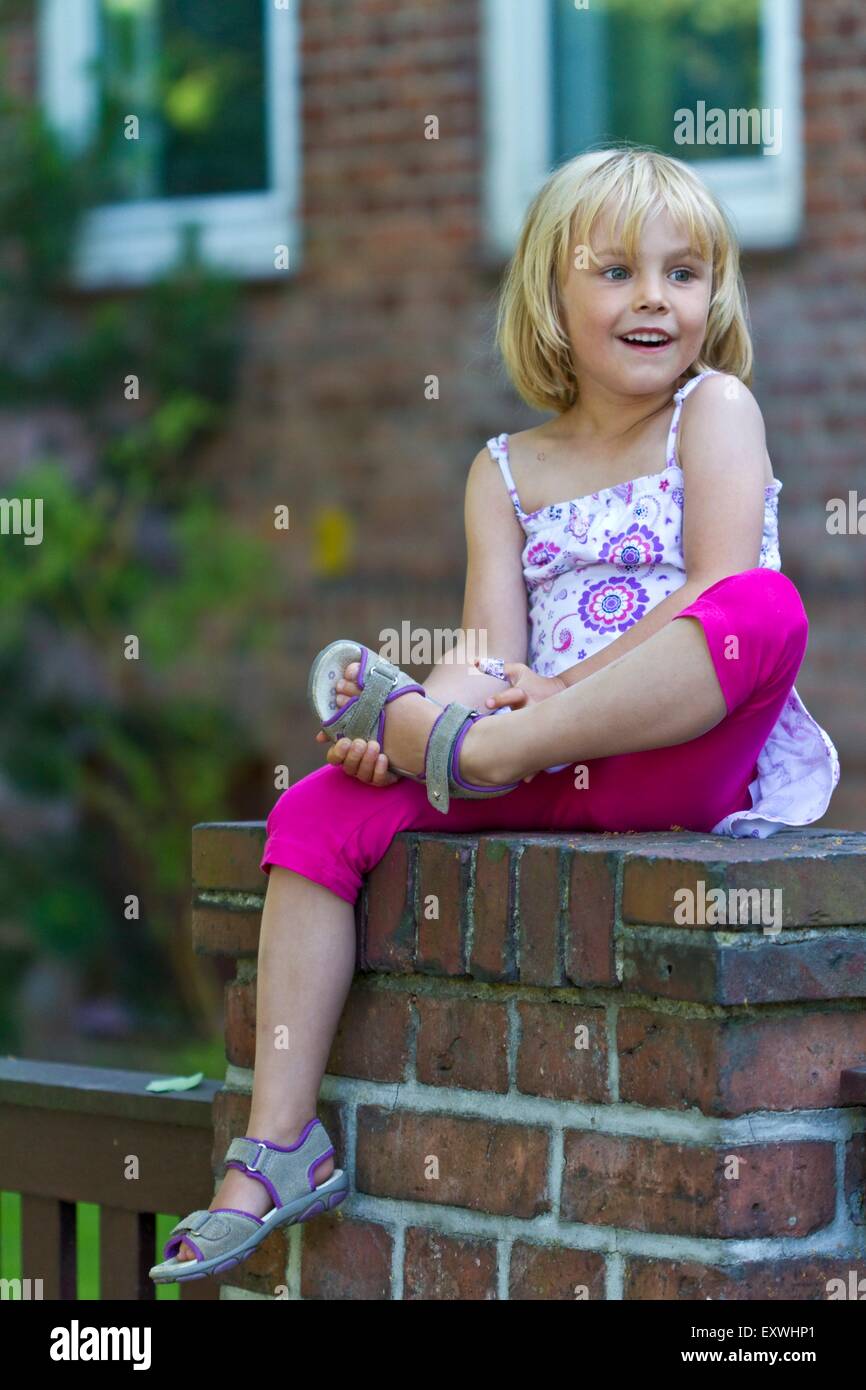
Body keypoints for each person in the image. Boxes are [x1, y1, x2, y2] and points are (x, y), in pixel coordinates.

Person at [153, 144, 839, 1279]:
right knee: (317, 815)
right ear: (550, 300)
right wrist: (416, 725)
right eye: (615, 272)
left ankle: (467, 752)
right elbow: (489, 651)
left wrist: (524, 720)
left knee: (760, 604)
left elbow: (713, 584)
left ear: (713, 296)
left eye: (682, 272)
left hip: (675, 749)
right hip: (533, 760)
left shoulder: (711, 409)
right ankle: (274, 1147)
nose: (653, 298)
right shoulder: (503, 471)